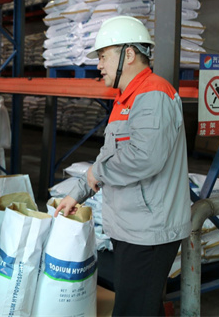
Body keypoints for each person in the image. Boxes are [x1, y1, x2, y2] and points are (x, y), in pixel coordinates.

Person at [55, 16, 191, 316]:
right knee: (143, 307)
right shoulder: (126, 98)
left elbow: (145, 157)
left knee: (132, 310)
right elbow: (109, 156)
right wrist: (78, 192)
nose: (99, 65)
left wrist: (96, 173)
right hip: (133, 226)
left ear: (128, 54)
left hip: (149, 231)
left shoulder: (153, 94)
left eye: (103, 56)